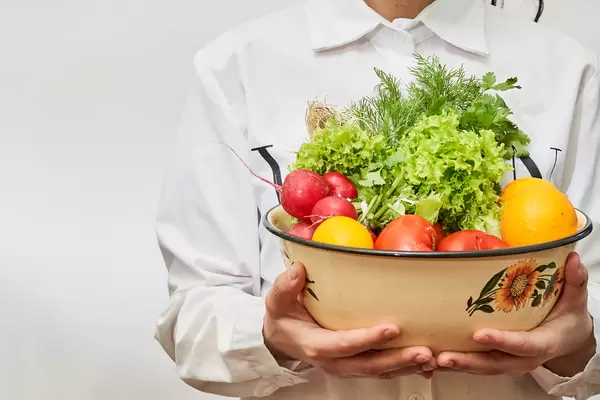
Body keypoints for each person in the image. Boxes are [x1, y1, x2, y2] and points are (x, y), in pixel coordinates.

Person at [154, 0, 600, 399]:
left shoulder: (565, 70)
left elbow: (592, 297)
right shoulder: (235, 68)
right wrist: (270, 335)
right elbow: (192, 319)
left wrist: (578, 341)